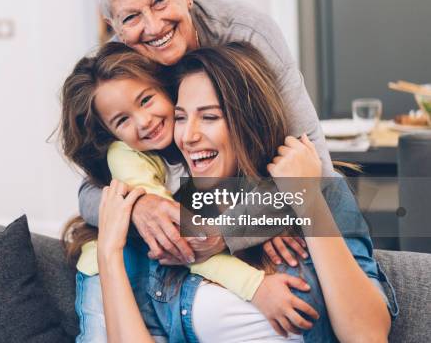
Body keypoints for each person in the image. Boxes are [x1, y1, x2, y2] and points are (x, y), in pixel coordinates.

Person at [92, 44, 393, 342]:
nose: (188, 136)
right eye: (181, 117)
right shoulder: (173, 216)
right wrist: (109, 254)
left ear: (248, 121)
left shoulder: (316, 193)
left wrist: (306, 199)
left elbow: (367, 335)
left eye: (209, 117)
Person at [79, 0, 332, 267]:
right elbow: (88, 193)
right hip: (185, 224)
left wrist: (231, 231)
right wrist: (138, 207)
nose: (153, 27)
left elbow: (316, 171)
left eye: (159, 1)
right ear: (114, 27)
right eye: (130, 18)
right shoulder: (114, 72)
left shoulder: (247, 34)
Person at [60, 42, 316, 342]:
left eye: (145, 100)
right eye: (122, 120)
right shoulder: (127, 157)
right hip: (110, 269)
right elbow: (184, 243)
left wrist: (268, 221)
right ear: (110, 133)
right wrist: (255, 286)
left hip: (162, 269)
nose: (144, 122)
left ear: (165, 89)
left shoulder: (193, 144)